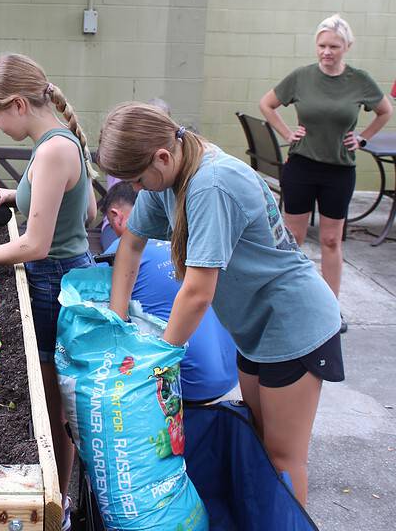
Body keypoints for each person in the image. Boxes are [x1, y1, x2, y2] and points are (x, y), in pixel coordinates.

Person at [97, 102, 344, 506]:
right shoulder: (170, 173)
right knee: (260, 444)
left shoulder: (210, 184)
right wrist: (117, 318)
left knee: (284, 457)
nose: (136, 191)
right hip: (254, 329)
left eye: (139, 180)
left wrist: (158, 363)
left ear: (161, 156)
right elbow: (131, 244)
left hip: (294, 323)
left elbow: (197, 291)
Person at [0, 53, 98, 530]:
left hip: (53, 281)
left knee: (48, 401)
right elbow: (48, 204)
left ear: (18, 104)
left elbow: (36, 244)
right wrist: (9, 196)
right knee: (46, 396)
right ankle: (58, 497)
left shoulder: (53, 149)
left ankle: (57, 505)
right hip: (56, 274)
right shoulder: (52, 143)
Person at [259, 14, 393, 332]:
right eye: (322, 45)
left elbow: (385, 110)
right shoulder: (301, 77)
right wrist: (286, 132)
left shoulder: (359, 80)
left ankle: (330, 309)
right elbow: (267, 104)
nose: (326, 52)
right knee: (294, 239)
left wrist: (363, 138)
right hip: (302, 166)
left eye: (334, 46)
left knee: (332, 240)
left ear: (346, 46)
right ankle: (289, 302)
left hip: (339, 171)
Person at [101, 181, 238, 403]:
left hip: (189, 384)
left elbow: (101, 314)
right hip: (233, 374)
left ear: (116, 216)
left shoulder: (116, 252)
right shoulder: (188, 240)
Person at [99, 98, 172, 251]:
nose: (137, 187)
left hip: (153, 225)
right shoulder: (134, 160)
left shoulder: (158, 173)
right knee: (114, 254)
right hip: (123, 220)